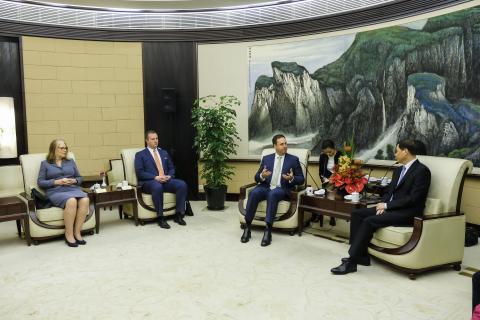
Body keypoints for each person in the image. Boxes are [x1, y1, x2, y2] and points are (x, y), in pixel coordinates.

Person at [331, 139, 431, 275]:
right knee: (357, 214)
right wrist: (382, 205)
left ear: (405, 151)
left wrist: (387, 205)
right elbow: (388, 191)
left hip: (407, 213)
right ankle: (362, 256)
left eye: (397, 151)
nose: (395, 154)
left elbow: (414, 198)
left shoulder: (422, 171)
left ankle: (352, 261)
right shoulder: (398, 170)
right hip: (391, 208)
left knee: (369, 221)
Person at [240, 134, 305, 247]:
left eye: (286, 143)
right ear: (275, 146)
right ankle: (247, 227)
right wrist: (262, 175)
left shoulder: (293, 160)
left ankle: (268, 230)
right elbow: (256, 177)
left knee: (273, 194)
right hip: (265, 186)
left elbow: (301, 179)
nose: (285, 146)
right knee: (254, 192)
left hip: (282, 188)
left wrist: (292, 178)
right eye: (282, 144)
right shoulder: (267, 159)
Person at [37, 139, 89, 247]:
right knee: (71, 201)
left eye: (66, 148)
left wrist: (74, 180)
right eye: (62, 148)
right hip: (55, 191)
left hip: (72, 188)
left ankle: (77, 232)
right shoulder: (45, 164)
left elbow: (80, 177)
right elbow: (40, 182)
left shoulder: (70, 162)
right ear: (54, 149)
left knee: (85, 199)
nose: (65, 150)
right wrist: (56, 182)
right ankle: (69, 234)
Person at [134, 130, 188, 229]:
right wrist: (155, 177)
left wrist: (169, 176)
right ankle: (160, 217)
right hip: (150, 182)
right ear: (147, 140)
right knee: (157, 186)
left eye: (157, 138)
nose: (156, 141)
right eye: (153, 139)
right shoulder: (140, 155)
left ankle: (178, 215)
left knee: (182, 184)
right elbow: (140, 173)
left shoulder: (164, 152)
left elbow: (172, 168)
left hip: (166, 180)